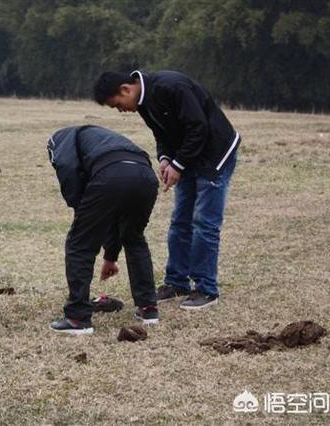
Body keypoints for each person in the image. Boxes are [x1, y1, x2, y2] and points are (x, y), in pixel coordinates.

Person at [93, 70, 241, 310]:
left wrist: (178, 164)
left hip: (215, 154)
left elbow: (198, 127)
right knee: (180, 221)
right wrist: (164, 158)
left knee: (204, 223)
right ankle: (176, 282)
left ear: (125, 89)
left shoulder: (171, 86)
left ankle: (206, 289)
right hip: (189, 155)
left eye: (117, 105)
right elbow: (162, 133)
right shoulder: (143, 102)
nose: (120, 110)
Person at [47, 125, 160, 334]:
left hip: (111, 173)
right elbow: (113, 213)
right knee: (134, 237)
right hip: (145, 175)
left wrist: (80, 209)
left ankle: (77, 319)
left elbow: (67, 168)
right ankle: (148, 308)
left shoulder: (57, 141)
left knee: (80, 243)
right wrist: (110, 256)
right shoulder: (100, 137)